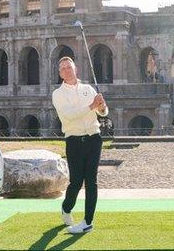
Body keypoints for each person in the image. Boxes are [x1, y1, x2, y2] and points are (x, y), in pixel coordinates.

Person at [52, 56, 108, 234]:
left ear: (75, 69)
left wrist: (102, 106)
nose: (67, 70)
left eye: (69, 67)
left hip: (94, 138)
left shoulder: (88, 88)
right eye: (63, 69)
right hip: (74, 140)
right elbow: (69, 115)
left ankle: (88, 222)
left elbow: (103, 113)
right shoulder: (58, 94)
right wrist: (92, 106)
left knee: (92, 181)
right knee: (76, 181)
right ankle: (66, 208)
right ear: (60, 74)